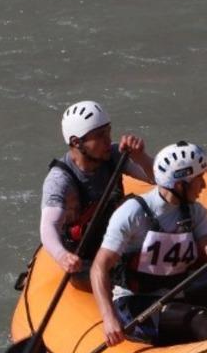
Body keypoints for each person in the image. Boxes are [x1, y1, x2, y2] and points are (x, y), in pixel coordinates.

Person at [91, 141, 207, 347]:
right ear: (180, 185)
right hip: (136, 303)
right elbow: (99, 267)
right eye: (199, 179)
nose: (204, 185)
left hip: (175, 293)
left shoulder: (195, 211)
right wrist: (108, 318)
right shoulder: (133, 213)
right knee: (200, 319)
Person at [39, 100, 154, 279]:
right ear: (77, 142)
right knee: (126, 278)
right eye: (100, 135)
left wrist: (141, 158)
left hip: (118, 239)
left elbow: (157, 178)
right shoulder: (60, 180)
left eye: (108, 132)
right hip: (86, 255)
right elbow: (49, 226)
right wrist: (63, 256)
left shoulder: (114, 155)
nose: (108, 140)